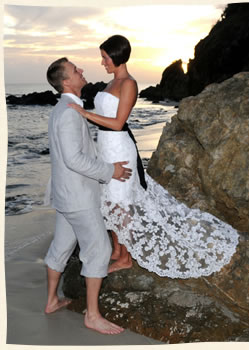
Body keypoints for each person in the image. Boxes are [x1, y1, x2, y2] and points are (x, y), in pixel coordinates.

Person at [69, 35, 239, 279]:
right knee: (112, 201)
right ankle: (118, 249)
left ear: (116, 57)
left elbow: (118, 123)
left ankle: (126, 258)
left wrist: (83, 113)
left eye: (105, 57)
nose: (102, 62)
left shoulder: (129, 83)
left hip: (118, 147)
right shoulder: (110, 84)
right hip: (105, 148)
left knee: (122, 203)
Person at [44, 57, 132, 335]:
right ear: (66, 81)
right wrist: (111, 171)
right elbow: (74, 159)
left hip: (64, 194)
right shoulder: (69, 112)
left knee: (62, 246)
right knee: (99, 250)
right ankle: (92, 316)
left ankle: (51, 301)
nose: (81, 70)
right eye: (75, 70)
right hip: (78, 197)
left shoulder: (61, 109)